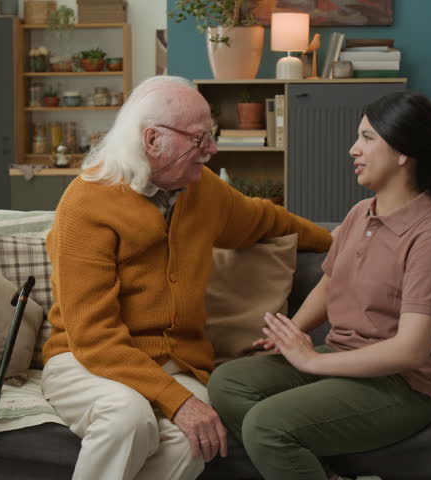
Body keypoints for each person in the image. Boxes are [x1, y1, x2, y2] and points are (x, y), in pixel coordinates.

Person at [40, 75, 332, 480]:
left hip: (176, 363)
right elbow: (93, 337)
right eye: (199, 139)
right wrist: (176, 401)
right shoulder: (86, 202)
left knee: (197, 439)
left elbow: (268, 220)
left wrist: (342, 244)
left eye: (210, 134)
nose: (211, 149)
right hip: (85, 360)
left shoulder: (203, 191)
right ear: (152, 140)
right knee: (127, 417)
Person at [208, 91, 431, 480]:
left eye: (367, 138)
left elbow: (411, 350)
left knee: (266, 426)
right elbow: (330, 282)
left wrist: (313, 362)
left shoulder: (430, 238)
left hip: (403, 386)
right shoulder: (359, 214)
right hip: (345, 358)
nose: (353, 149)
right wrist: (294, 332)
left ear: (403, 151)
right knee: (227, 382)